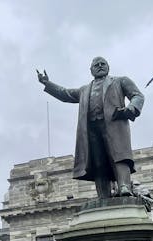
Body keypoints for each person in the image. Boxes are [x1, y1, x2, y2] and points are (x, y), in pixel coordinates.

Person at [37, 57, 144, 198]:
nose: (100, 66)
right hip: (91, 130)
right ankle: (103, 195)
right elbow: (65, 94)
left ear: (108, 67)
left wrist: (131, 108)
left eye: (103, 64)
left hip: (114, 125)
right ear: (91, 70)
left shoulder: (120, 81)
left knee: (119, 156)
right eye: (96, 65)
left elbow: (137, 95)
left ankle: (124, 186)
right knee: (98, 163)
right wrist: (47, 83)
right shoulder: (84, 90)